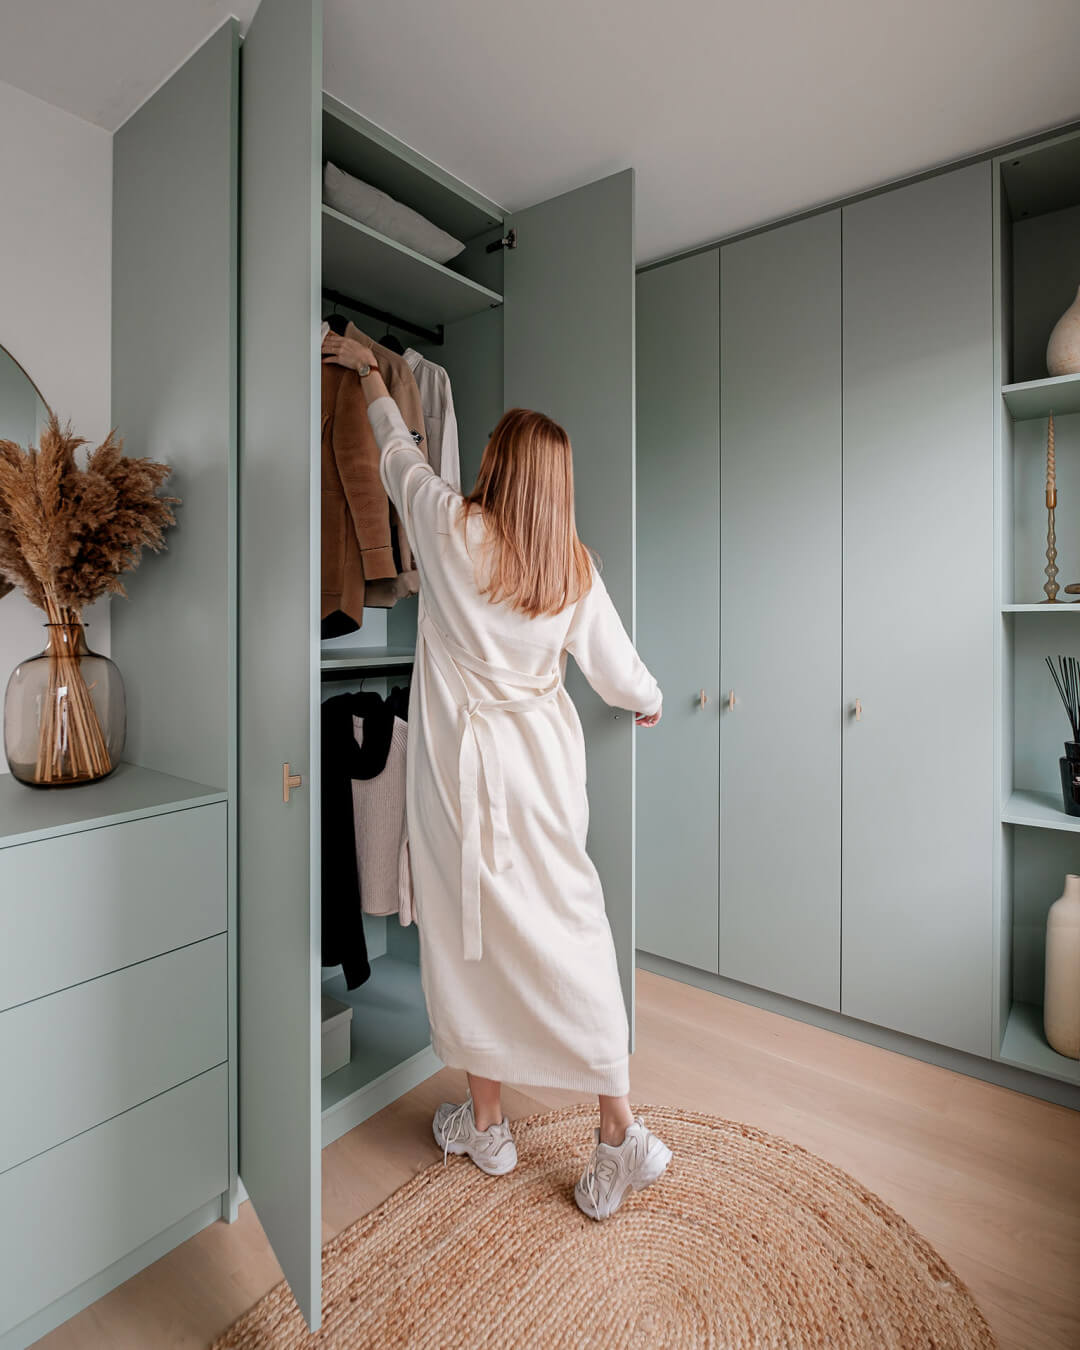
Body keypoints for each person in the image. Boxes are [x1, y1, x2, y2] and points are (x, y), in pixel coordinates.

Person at [322, 331, 671, 1220]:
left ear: (496, 464)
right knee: (570, 931)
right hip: (546, 776)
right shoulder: (572, 567)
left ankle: (490, 1125)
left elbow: (395, 453)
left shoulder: (449, 528)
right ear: (557, 486)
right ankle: (615, 1126)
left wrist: (367, 373)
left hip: (462, 779)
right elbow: (619, 667)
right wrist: (647, 699)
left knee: (466, 936)